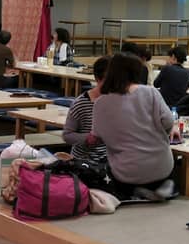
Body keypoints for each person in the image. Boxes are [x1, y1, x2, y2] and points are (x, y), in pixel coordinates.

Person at [91, 53, 176, 201]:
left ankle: (134, 191)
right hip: (162, 166)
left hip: (125, 171)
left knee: (109, 167)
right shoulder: (150, 92)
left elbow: (98, 137)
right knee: (164, 164)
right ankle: (159, 187)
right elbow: (168, 122)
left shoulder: (100, 103)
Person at [62, 56, 111, 165]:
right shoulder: (81, 103)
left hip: (110, 161)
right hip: (85, 162)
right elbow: (67, 135)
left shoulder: (117, 101)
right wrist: (88, 138)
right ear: (98, 79)